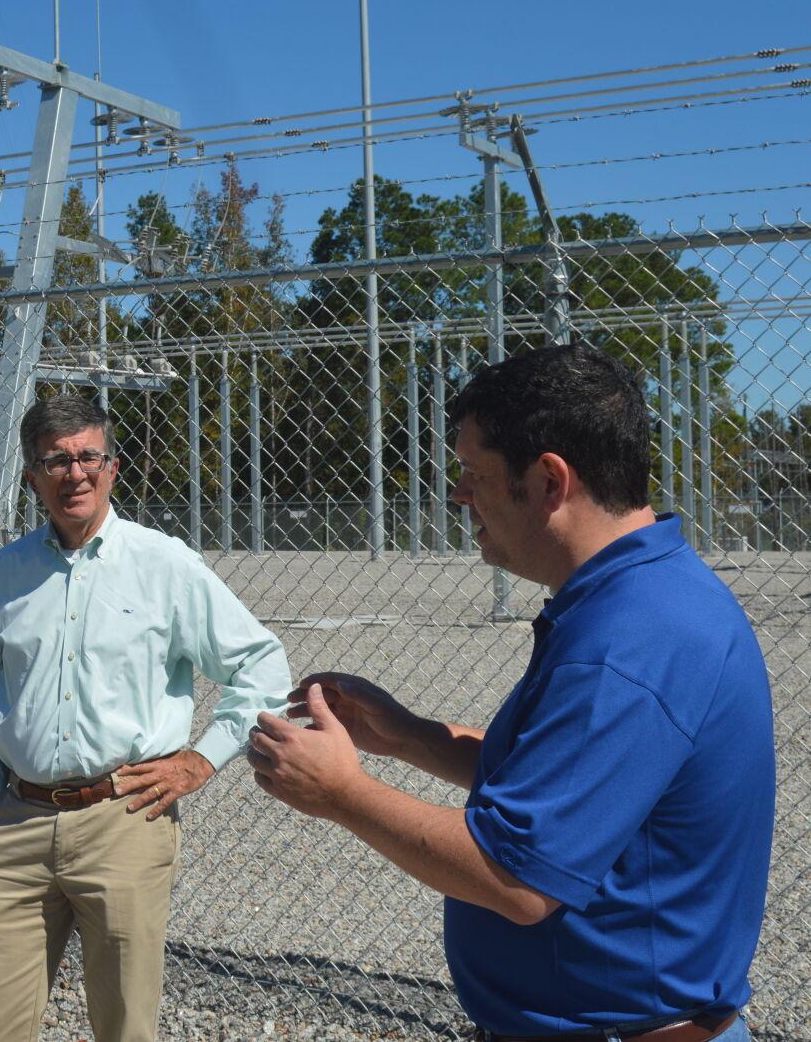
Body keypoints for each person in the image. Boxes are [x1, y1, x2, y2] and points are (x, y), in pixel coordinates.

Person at [248, 343, 773, 1041]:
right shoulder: (644, 596)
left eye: (474, 473)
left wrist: (342, 793)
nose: (459, 494)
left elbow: (516, 879)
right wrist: (411, 737)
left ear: (549, 481)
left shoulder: (629, 643)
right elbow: (566, 788)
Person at [0, 395, 290, 1041]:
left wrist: (200, 759)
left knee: (125, 1021)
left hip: (124, 818)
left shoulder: (163, 565)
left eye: (87, 457)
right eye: (55, 460)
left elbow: (260, 665)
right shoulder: (4, 574)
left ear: (112, 468)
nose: (72, 473)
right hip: (15, 825)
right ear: (31, 475)